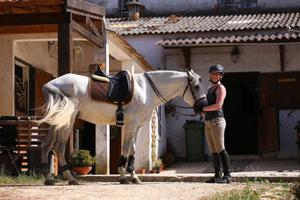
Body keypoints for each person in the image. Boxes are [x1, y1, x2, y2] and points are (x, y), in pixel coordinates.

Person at [202, 64, 232, 183]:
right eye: (213, 73)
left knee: (220, 148)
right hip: (208, 121)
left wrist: (204, 109)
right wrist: (201, 111)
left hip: (217, 121)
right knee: (213, 150)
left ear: (220, 76)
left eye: (217, 74)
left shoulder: (221, 88)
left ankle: (228, 175)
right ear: (210, 75)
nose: (215, 76)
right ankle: (217, 176)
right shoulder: (210, 89)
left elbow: (218, 105)